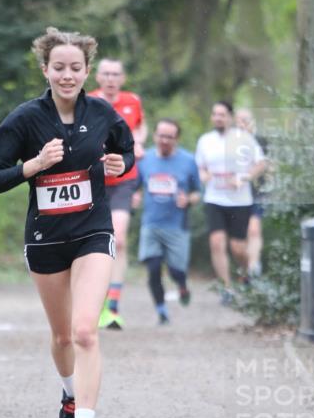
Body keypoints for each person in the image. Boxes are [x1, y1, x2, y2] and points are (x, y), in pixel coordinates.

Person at [0, 27, 135, 418]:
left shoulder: (102, 112)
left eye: (75, 68)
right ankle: (70, 395)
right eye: (59, 68)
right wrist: (34, 165)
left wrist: (120, 163)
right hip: (46, 239)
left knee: (86, 331)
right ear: (45, 70)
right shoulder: (25, 119)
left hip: (92, 232)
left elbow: (126, 152)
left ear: (87, 71)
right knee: (63, 336)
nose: (67, 75)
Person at [90, 58, 146, 329]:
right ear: (97, 77)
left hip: (124, 178)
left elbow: (140, 126)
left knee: (119, 239)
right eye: (106, 74)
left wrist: (139, 142)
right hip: (93, 179)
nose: (111, 79)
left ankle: (111, 307)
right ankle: (93, 302)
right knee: (94, 240)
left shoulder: (132, 101)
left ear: (122, 78)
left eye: (116, 74)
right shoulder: (87, 101)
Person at [195, 101, 265, 304]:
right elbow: (200, 167)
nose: (218, 118)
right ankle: (226, 288)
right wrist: (203, 175)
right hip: (214, 199)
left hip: (239, 201)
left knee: (237, 248)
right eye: (215, 114)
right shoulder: (205, 140)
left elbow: (261, 164)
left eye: (222, 114)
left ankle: (246, 273)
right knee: (216, 242)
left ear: (230, 117)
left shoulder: (244, 138)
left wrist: (244, 178)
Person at [132, 119, 200, 325]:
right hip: (151, 224)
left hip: (177, 225)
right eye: (161, 136)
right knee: (153, 268)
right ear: (154, 136)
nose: (164, 140)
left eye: (169, 137)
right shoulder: (145, 159)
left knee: (175, 270)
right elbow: (135, 187)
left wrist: (188, 199)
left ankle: (182, 284)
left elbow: (198, 192)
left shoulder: (188, 161)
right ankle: (162, 312)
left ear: (176, 139)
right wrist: (135, 196)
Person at [234, 107, 268, 277]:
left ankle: (254, 267)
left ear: (252, 122)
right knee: (238, 242)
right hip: (235, 195)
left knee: (254, 229)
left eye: (245, 120)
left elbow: (270, 166)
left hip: (257, 192)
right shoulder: (230, 142)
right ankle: (246, 271)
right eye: (239, 121)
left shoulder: (261, 141)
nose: (242, 124)